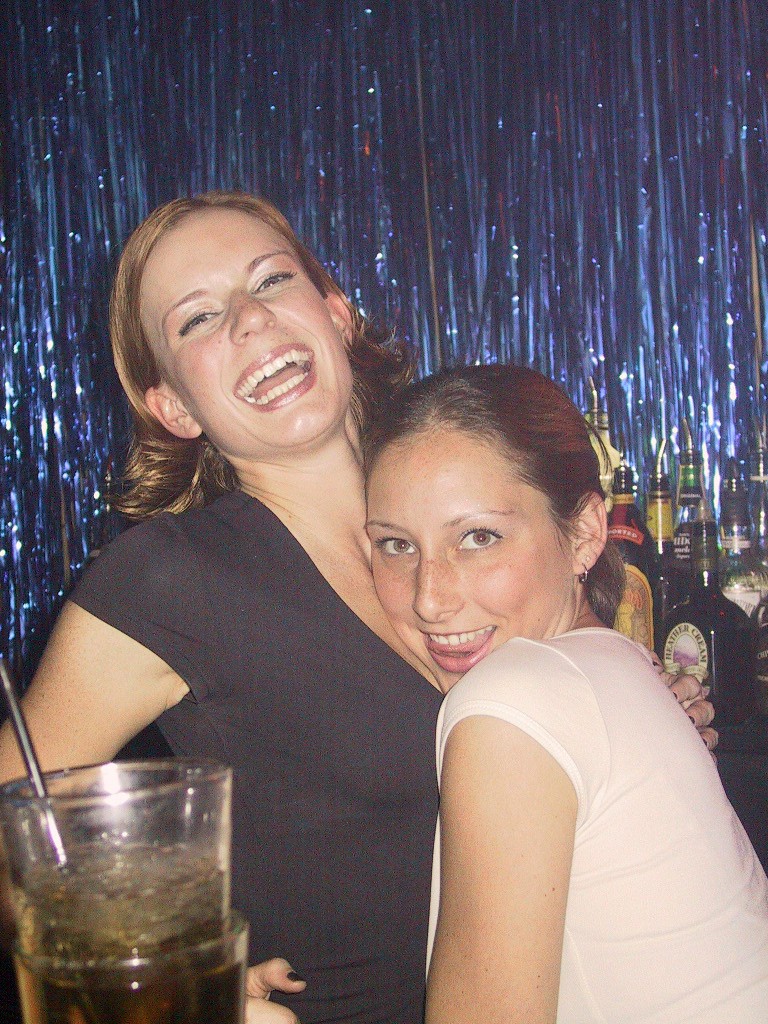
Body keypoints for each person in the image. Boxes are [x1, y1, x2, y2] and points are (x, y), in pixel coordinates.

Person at [0, 192, 714, 1024]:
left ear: (337, 315)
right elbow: (17, 824)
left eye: (271, 280)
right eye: (197, 319)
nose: (249, 319)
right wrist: (166, 978)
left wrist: (634, 722)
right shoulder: (169, 577)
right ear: (173, 407)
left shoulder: (443, 506)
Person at [363, 363, 768, 1024]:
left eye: (479, 538)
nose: (429, 599)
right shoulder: (616, 663)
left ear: (583, 533)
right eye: (397, 545)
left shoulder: (510, 700)